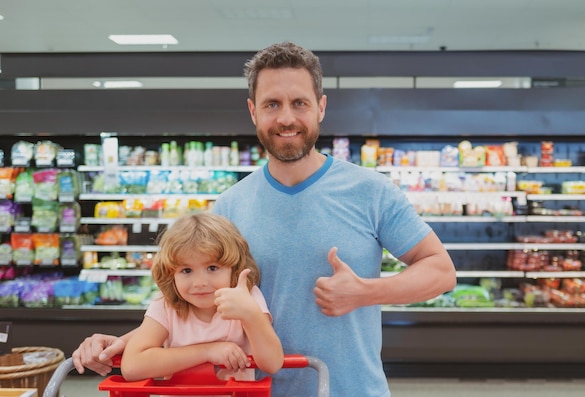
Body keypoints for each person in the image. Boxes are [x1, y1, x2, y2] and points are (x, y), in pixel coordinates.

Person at [72, 41, 457, 396]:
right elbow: (191, 299)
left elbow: (441, 271)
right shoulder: (228, 206)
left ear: (320, 107)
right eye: (272, 104)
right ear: (253, 110)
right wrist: (134, 341)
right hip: (251, 391)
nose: (286, 118)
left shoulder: (371, 191)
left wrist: (367, 292)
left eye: (299, 103)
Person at [119, 212, 283, 383]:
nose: (199, 282)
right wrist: (209, 351)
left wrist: (251, 315)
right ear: (170, 274)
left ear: (234, 268)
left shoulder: (245, 297)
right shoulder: (166, 305)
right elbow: (132, 366)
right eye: (186, 270)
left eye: (212, 268)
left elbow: (272, 364)